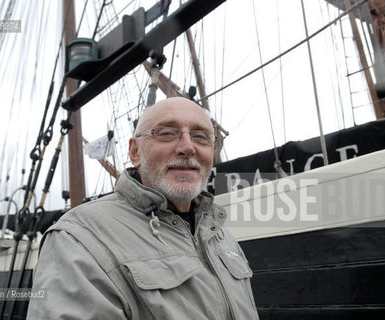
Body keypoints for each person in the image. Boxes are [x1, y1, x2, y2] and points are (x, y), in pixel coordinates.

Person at [27, 97, 259, 319]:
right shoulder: (80, 238)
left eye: (201, 136)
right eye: (167, 133)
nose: (188, 147)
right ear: (135, 151)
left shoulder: (220, 234)